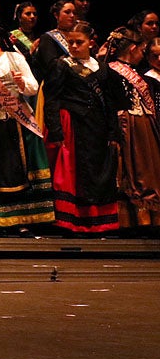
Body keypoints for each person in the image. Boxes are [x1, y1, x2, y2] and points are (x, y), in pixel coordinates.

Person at [0, 22, 55, 236]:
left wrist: (22, 83)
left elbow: (33, 87)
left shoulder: (14, 58)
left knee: (20, 171)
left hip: (17, 121)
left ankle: (24, 219)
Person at [41, 22, 120, 235]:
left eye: (79, 42)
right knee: (73, 173)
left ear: (91, 43)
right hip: (72, 126)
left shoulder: (103, 69)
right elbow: (52, 100)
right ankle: (70, 221)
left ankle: (98, 222)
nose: (74, 46)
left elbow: (110, 103)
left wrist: (113, 133)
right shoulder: (61, 65)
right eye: (71, 42)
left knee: (97, 172)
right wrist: (56, 131)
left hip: (97, 127)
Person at [102, 27, 160, 236]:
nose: (142, 55)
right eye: (142, 50)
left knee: (149, 168)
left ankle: (152, 218)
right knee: (132, 171)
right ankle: (135, 219)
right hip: (128, 123)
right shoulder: (111, 70)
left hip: (143, 122)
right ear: (133, 48)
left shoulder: (137, 73)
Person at [30, 0, 76, 82]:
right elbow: (51, 67)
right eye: (67, 12)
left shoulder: (79, 37)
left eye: (74, 12)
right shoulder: (48, 38)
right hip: (59, 85)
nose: (72, 15)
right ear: (56, 15)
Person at [7, 1, 39, 69]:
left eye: (35, 14)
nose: (32, 16)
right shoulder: (12, 36)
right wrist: (31, 51)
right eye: (28, 14)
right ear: (19, 17)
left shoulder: (40, 35)